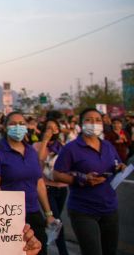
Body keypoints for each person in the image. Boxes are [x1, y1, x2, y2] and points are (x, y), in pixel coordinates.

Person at [53, 108, 127, 255]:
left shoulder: (107, 145)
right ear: (81, 124)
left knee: (110, 251)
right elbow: (57, 174)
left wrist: (121, 167)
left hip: (109, 208)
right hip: (83, 210)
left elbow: (116, 163)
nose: (94, 124)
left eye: (98, 120)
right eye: (89, 120)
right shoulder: (71, 148)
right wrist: (81, 179)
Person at [0, 111, 55, 255]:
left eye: (21, 124)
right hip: (11, 216)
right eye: (13, 124)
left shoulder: (30, 151)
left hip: (34, 212)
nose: (18, 127)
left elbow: (39, 183)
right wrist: (7, 214)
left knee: (40, 250)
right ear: (5, 127)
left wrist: (48, 213)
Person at [33, 119, 69, 255]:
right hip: (47, 188)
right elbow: (39, 162)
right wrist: (44, 141)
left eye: (54, 128)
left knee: (53, 222)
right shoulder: (37, 146)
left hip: (61, 188)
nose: (51, 131)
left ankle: (44, 244)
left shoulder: (62, 147)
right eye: (48, 128)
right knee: (57, 222)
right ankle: (63, 251)